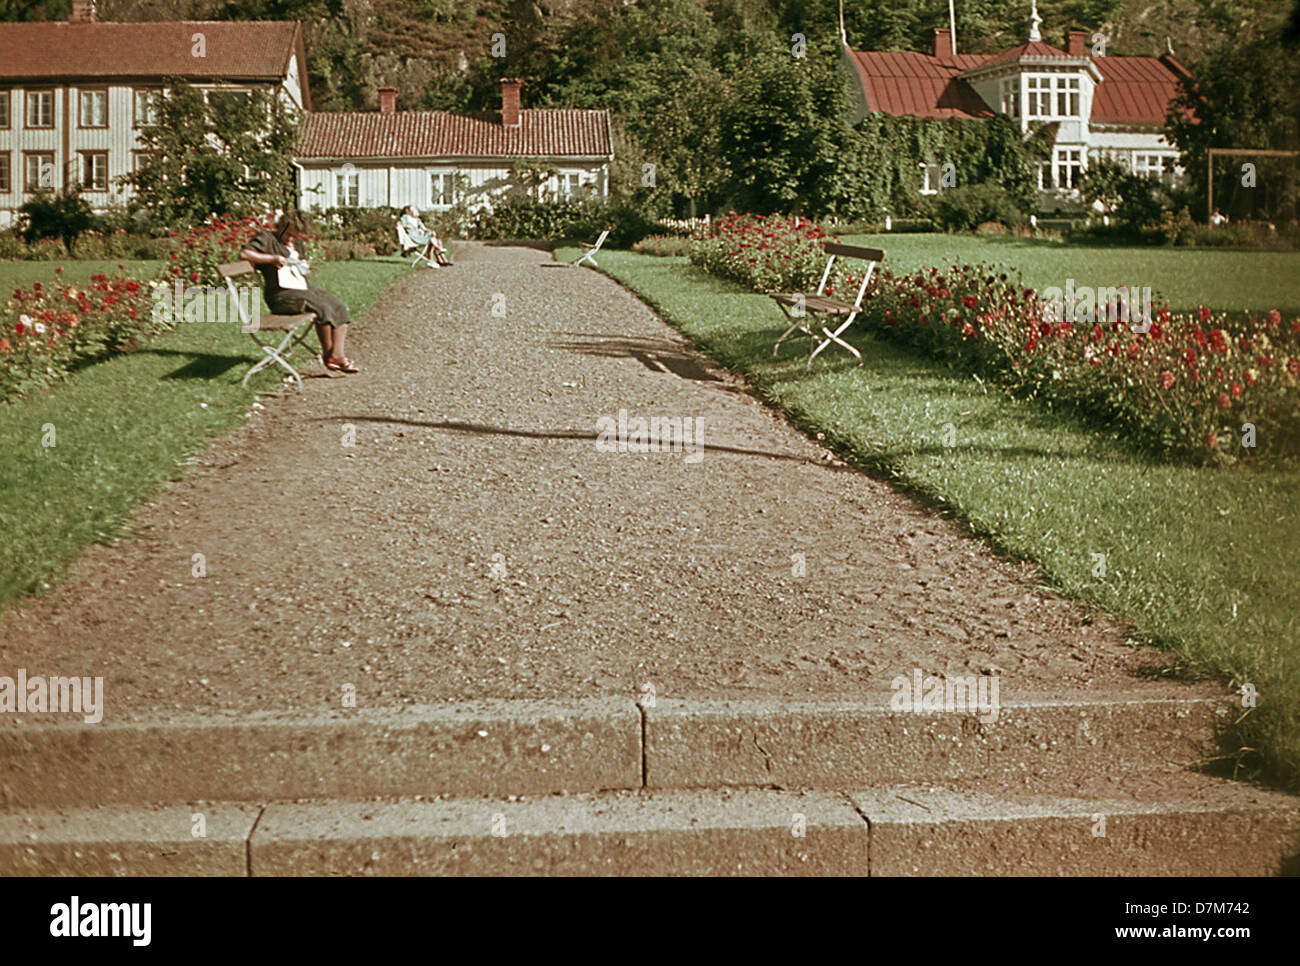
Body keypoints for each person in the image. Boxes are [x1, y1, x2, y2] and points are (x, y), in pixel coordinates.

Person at [241, 210, 358, 374]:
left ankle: (337, 355)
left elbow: (302, 266)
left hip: (301, 288)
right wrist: (272, 259)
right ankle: (330, 356)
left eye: (294, 236)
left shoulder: (298, 244)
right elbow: (245, 253)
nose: (290, 239)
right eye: (288, 234)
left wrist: (305, 268)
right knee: (322, 307)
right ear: (280, 226)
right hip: (280, 295)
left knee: (339, 306)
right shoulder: (267, 238)